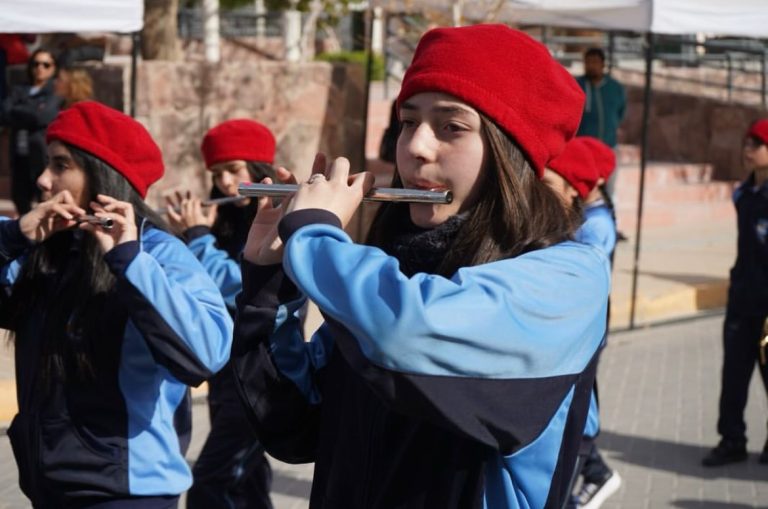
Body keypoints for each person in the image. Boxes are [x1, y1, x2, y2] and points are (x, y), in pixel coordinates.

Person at [231, 24, 610, 508]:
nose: (415, 148)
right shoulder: (395, 268)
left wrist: (315, 235)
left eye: (451, 126)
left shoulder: (569, 276)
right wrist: (270, 285)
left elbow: (407, 335)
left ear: (509, 152)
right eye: (408, 122)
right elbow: (291, 426)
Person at [0, 101, 233, 508]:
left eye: (59, 165)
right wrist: (14, 236)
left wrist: (129, 262)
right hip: (48, 486)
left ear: (100, 174)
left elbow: (208, 352)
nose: (42, 179)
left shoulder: (158, 252)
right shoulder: (44, 250)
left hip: (127, 493)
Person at [165, 119, 276, 509]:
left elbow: (242, 286)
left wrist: (198, 239)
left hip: (263, 372)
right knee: (245, 479)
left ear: (259, 169)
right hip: (225, 370)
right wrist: (181, 236)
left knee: (210, 483)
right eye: (217, 174)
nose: (227, 184)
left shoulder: (280, 217)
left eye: (235, 170)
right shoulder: (223, 221)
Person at [702, 119, 768, 467]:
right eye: (747, 142)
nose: (749, 149)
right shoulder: (744, 193)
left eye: (757, 144)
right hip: (743, 299)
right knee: (734, 375)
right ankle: (732, 440)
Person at [1, 48, 63, 214]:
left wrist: (19, 110)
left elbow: (41, 117)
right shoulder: (19, 89)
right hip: (20, 153)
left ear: (53, 68)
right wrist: (31, 110)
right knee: (20, 197)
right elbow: (4, 112)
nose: (40, 68)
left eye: (46, 64)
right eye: (36, 64)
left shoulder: (55, 92)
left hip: (41, 153)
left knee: (43, 196)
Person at [575, 48, 626, 202]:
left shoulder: (615, 88)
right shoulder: (577, 85)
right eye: (588, 62)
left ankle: (610, 222)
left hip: (608, 146)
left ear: (603, 64)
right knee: (582, 191)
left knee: (608, 191)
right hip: (583, 149)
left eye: (595, 62)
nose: (591, 66)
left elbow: (620, 112)